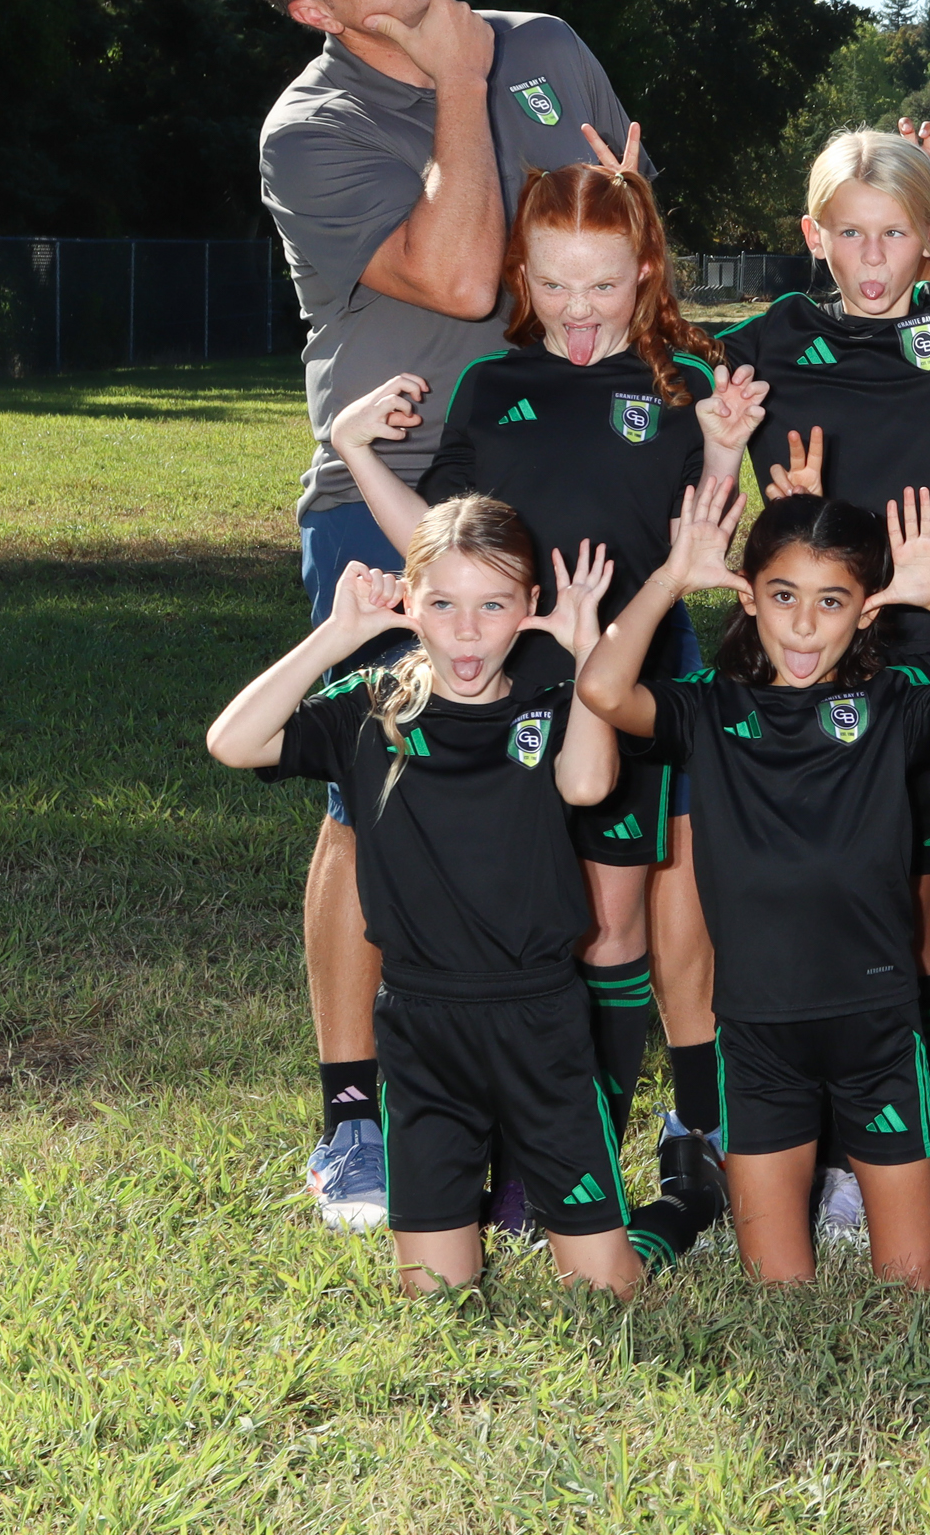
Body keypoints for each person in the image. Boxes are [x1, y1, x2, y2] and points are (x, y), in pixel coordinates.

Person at [236, 0, 643, 1230]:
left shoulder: (549, 48)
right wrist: (458, 79)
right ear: (316, 10)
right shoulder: (313, 128)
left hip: (560, 476)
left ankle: (540, 1110)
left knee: (554, 798)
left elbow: (622, 241)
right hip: (394, 488)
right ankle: (356, 1117)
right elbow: (466, 277)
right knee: (377, 799)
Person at [324, 159, 758, 1236]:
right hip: (506, 697)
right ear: (523, 272)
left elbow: (701, 549)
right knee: (517, 925)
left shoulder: (681, 387)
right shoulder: (491, 384)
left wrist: (722, 452)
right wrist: (352, 448)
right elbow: (436, 548)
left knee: (610, 928)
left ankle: (574, 1163)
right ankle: (505, 1140)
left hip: (630, 684)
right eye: (554, 284)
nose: (577, 309)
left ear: (645, 269)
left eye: (602, 284)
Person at [577, 481, 930, 1287]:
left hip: (876, 1023)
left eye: (832, 602)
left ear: (865, 612)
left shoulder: (890, 704)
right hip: (758, 1032)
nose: (802, 624)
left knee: (912, 1282)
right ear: (749, 597)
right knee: (778, 1287)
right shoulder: (711, 709)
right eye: (783, 595)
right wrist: (670, 578)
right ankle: (698, 1190)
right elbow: (604, 690)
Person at [203, 498, 642, 1298]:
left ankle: (662, 1212)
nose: (466, 633)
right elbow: (234, 742)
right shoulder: (376, 710)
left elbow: (587, 783)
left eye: (492, 606)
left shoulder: (550, 704)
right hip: (422, 1030)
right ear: (409, 601)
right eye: (442, 604)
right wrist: (338, 635)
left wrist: (588, 656)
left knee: (608, 1290)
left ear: (530, 605)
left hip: (541, 1022)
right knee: (433, 1293)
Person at [714, 127, 930, 1137]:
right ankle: (797, 1100)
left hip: (925, 650)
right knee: (804, 890)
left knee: (916, 906)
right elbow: (689, 438)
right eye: (849, 232)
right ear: (814, 235)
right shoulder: (765, 338)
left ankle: (917, 1099)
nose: (871, 256)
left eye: (893, 233)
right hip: (802, 653)